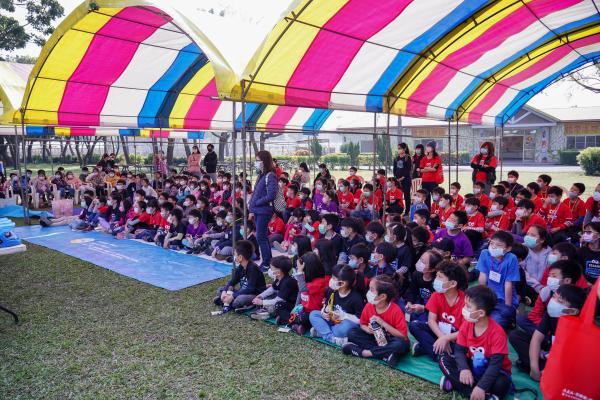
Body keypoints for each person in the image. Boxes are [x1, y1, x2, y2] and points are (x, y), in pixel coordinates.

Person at [439, 286, 513, 400]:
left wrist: (482, 387)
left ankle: (457, 383)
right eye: (465, 305)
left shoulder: (497, 333)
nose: (464, 308)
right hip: (472, 367)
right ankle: (474, 394)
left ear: (481, 313)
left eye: (468, 307)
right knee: (444, 359)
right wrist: (464, 368)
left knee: (502, 383)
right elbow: (459, 351)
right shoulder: (467, 324)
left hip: (494, 372)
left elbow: (495, 365)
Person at [509, 284, 586, 381]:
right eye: (554, 296)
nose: (553, 302)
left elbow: (570, 359)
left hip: (563, 361)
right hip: (549, 349)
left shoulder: (578, 328)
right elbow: (536, 338)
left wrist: (546, 367)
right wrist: (534, 368)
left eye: (559, 301)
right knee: (515, 336)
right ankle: (535, 366)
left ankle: (534, 366)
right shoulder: (552, 313)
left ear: (572, 311)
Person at [343, 275, 410, 367]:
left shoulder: (396, 310)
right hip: (376, 339)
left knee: (400, 344)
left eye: (371, 289)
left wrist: (383, 323)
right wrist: (368, 330)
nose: (368, 292)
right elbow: (362, 324)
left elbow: (403, 336)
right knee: (352, 333)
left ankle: (364, 353)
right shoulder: (369, 305)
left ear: (382, 296)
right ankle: (386, 355)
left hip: (391, 340)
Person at [410, 261, 467, 360]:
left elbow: (466, 331)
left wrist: (447, 338)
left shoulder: (466, 301)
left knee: (465, 349)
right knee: (414, 325)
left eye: (440, 277)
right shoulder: (436, 295)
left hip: (457, 337)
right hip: (439, 332)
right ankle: (441, 356)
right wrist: (442, 337)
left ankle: (427, 348)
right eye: (436, 276)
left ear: (453, 283)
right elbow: (431, 320)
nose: (435, 280)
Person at [309, 264, 365, 345]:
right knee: (313, 314)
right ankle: (332, 338)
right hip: (331, 321)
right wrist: (324, 312)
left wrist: (344, 316)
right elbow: (326, 305)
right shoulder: (331, 290)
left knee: (347, 326)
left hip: (342, 325)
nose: (331, 280)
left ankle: (322, 333)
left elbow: (360, 320)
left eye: (334, 278)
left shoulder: (356, 298)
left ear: (342, 283)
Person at [477, 231, 520, 330]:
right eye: (491, 243)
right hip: (489, 296)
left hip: (504, 299)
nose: (493, 247)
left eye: (499, 245)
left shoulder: (511, 258)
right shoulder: (485, 253)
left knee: (494, 324)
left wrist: (508, 307)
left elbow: (508, 285)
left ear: (508, 249)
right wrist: (481, 298)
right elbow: (482, 278)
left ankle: (510, 317)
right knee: (473, 315)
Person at [213, 240, 266, 313]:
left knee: (238, 301)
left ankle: (235, 303)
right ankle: (226, 301)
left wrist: (232, 296)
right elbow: (232, 281)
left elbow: (250, 289)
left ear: (240, 257)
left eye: (235, 254)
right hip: (243, 292)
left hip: (254, 294)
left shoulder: (253, 268)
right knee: (220, 290)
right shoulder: (241, 267)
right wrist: (224, 291)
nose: (234, 256)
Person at [249, 150, 278, 270]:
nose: (256, 163)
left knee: (260, 236)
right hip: (258, 210)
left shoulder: (270, 175)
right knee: (262, 236)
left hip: (264, 210)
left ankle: (266, 262)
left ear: (264, 161)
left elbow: (271, 195)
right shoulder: (262, 174)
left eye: (258, 160)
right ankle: (268, 260)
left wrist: (257, 202)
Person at [251, 256, 299, 322]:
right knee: (269, 298)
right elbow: (272, 289)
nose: (270, 270)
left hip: (292, 305)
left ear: (278, 272)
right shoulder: (278, 278)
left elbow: (278, 300)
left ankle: (287, 318)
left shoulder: (288, 282)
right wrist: (261, 296)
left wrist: (262, 302)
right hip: (283, 301)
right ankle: (272, 313)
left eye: (272, 268)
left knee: (277, 305)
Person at [291, 252, 328, 335]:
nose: (299, 269)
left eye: (301, 268)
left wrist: (300, 272)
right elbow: (300, 293)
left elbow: (302, 288)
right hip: (303, 309)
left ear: (308, 268)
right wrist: (295, 307)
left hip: (313, 313)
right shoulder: (305, 278)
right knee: (282, 306)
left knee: (302, 318)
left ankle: (300, 325)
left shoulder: (319, 282)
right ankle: (300, 326)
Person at [419, 141, 442, 208]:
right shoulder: (424, 158)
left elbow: (435, 169)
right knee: (426, 198)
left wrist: (425, 168)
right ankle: (428, 212)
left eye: (429, 147)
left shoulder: (436, 158)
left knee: (435, 198)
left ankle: (436, 211)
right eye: (427, 147)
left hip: (433, 181)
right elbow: (420, 169)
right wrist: (429, 168)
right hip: (425, 181)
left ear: (433, 148)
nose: (427, 148)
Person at [393, 143, 412, 215]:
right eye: (398, 148)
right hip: (397, 180)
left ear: (404, 149)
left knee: (407, 196)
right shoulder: (396, 158)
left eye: (400, 148)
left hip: (406, 180)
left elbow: (408, 170)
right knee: (398, 195)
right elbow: (394, 169)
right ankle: (398, 210)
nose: (399, 150)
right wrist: (396, 178)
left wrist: (402, 178)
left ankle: (407, 211)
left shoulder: (407, 158)